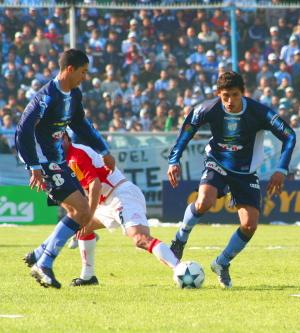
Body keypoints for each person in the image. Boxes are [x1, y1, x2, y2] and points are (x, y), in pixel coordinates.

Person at [167, 71, 296, 288]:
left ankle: (221, 263)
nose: (229, 101)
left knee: (249, 225)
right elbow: (188, 129)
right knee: (204, 202)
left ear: (242, 94)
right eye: (225, 95)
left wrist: (281, 169)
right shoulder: (208, 109)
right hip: (217, 164)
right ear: (218, 93)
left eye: (235, 95)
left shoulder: (258, 112)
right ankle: (180, 239)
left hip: (246, 172)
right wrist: (174, 160)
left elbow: (289, 136)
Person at [16, 49, 115, 289]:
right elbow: (23, 130)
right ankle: (44, 263)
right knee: (81, 211)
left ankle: (40, 254)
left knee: (79, 212)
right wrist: (34, 166)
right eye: (83, 72)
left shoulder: (74, 95)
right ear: (69, 69)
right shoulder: (46, 96)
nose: (85, 77)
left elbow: (81, 124)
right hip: (47, 163)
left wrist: (103, 150)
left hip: (59, 162)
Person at [60, 133, 179, 286]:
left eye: (59, 138)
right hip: (106, 202)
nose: (55, 143)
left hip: (120, 196)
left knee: (140, 239)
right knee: (82, 227)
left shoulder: (76, 155)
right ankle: (88, 276)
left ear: (67, 138)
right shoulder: (64, 158)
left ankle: (179, 268)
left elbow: (94, 184)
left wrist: (88, 214)